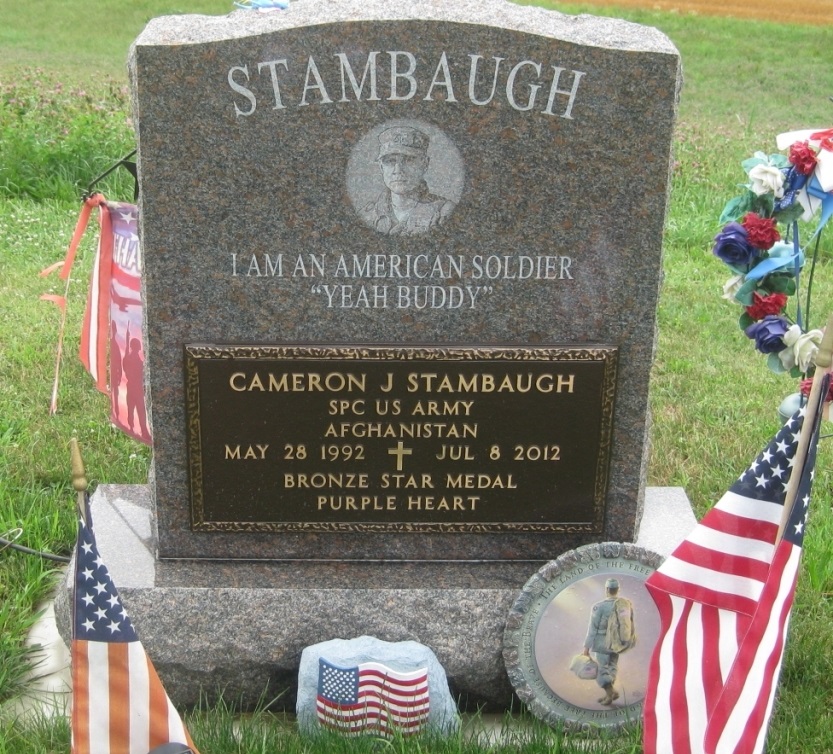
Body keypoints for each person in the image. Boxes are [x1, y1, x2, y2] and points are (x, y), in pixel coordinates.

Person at [360, 126, 456, 236]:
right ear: (381, 167)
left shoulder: (443, 213)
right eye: (390, 161)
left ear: (424, 165)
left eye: (409, 160)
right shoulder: (367, 214)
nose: (398, 170)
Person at [581, 578, 635, 705]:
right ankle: (609, 694)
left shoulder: (599, 607)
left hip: (602, 642)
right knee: (612, 666)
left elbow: (592, 628)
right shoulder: (623, 604)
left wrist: (586, 647)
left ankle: (610, 692)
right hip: (617, 643)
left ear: (606, 590)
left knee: (601, 669)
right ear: (618, 590)